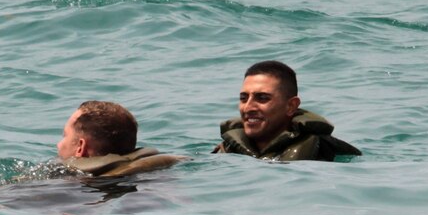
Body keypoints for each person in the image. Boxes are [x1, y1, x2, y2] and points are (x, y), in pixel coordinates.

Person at [214, 60, 362, 161]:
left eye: (262, 98)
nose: (248, 107)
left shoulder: (324, 151)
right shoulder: (228, 151)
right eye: (243, 98)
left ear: (291, 106)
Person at [56, 100, 185, 177]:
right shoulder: (157, 174)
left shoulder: (63, 186)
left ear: (80, 146)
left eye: (65, 136)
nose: (58, 144)